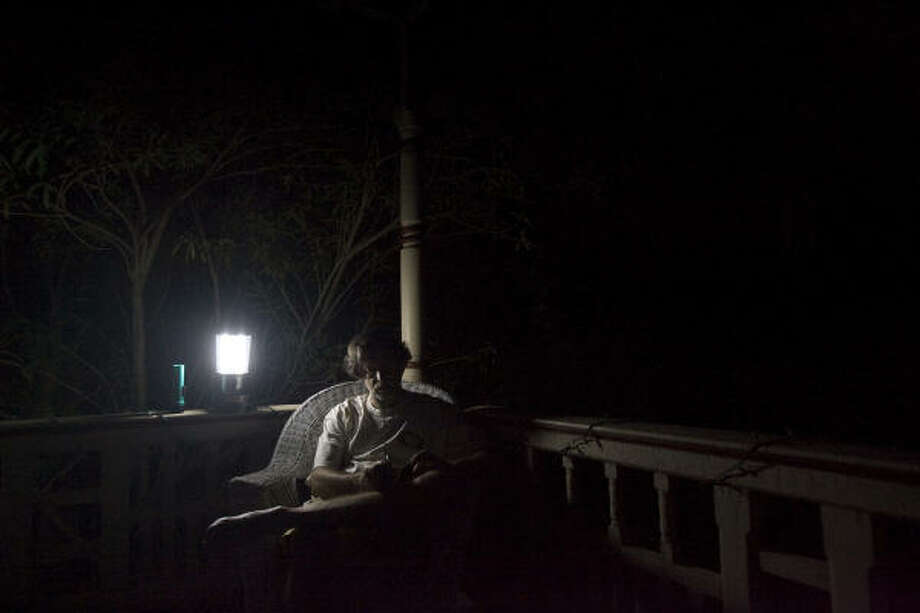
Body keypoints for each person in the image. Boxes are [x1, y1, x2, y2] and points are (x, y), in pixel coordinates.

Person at [204, 330, 488, 610]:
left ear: (402, 365)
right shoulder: (344, 414)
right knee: (314, 539)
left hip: (408, 520)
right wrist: (361, 480)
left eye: (387, 370)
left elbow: (481, 461)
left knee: (427, 484)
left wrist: (442, 466)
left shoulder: (436, 413)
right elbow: (317, 478)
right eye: (370, 372)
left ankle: (289, 517)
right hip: (349, 517)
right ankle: (301, 521)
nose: (379, 380)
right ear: (359, 373)